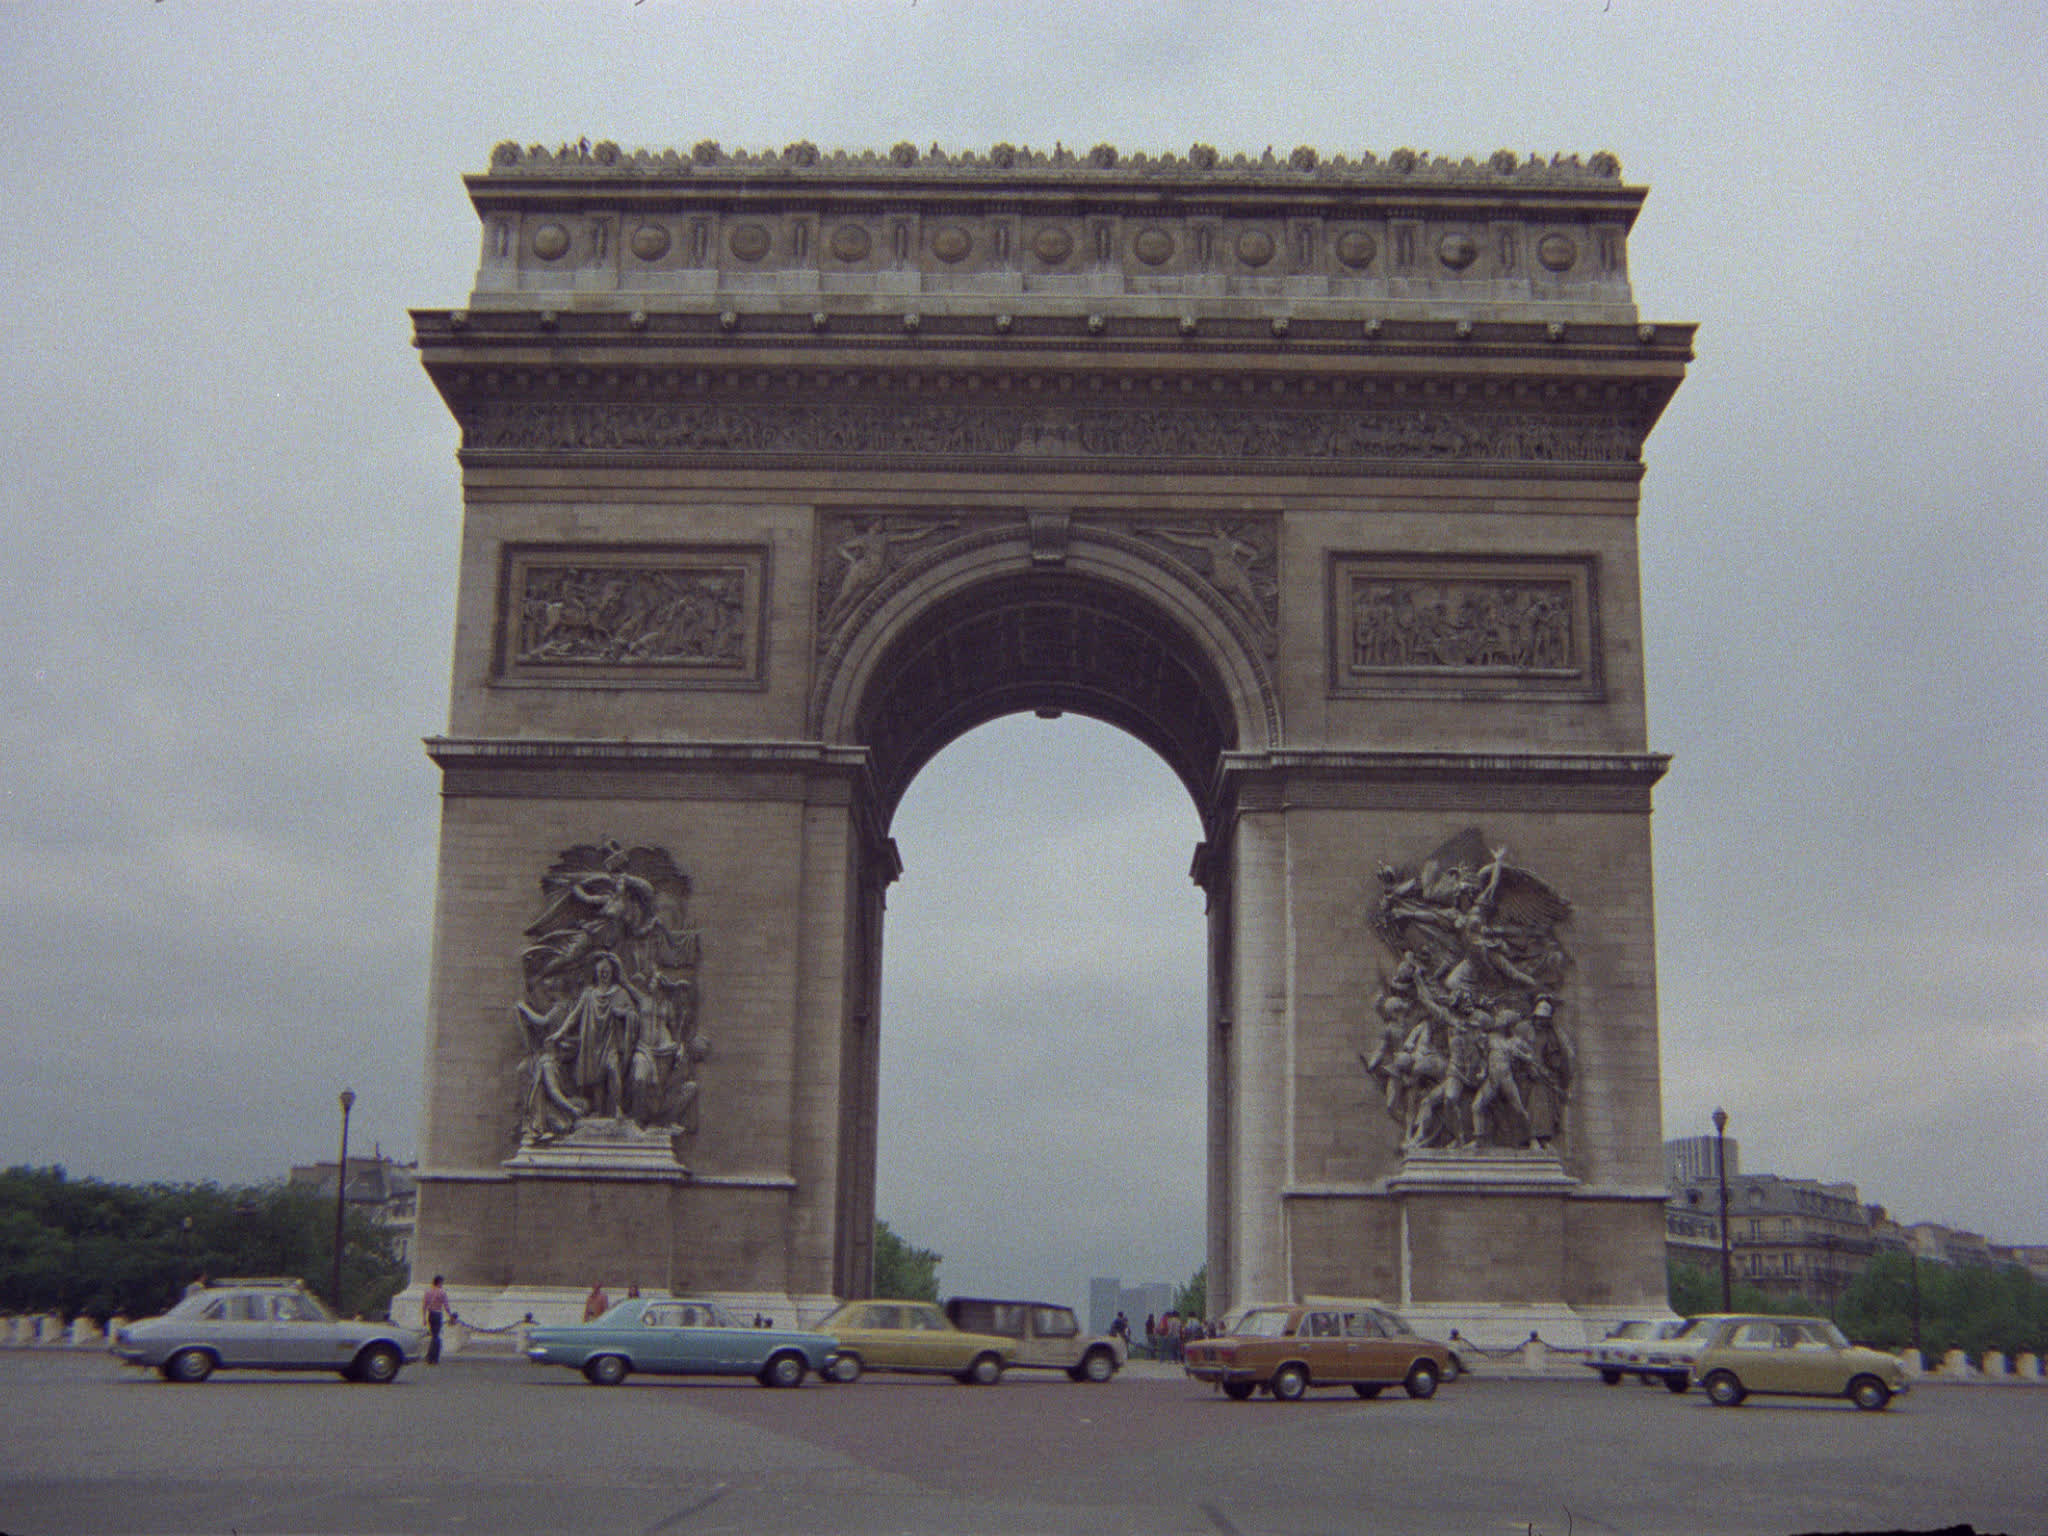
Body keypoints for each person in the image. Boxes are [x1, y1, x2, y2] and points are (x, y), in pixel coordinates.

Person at [421, 1274, 455, 1364]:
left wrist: (424, 1318)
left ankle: (430, 1356)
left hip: (430, 1314)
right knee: (436, 1336)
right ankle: (433, 1357)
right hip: (437, 1313)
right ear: (439, 1282)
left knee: (434, 1335)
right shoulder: (442, 1292)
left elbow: (424, 1306)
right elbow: (446, 1306)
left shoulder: (428, 1292)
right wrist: (450, 1315)